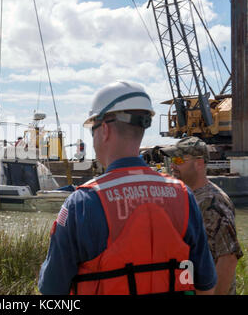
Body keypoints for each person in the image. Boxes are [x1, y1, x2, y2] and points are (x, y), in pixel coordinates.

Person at [38, 81, 217, 295]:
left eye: (92, 130)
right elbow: (205, 285)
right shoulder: (182, 195)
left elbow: (51, 290)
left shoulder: (82, 203)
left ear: (103, 130)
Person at [160, 136, 243, 295]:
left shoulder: (214, 202)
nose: (172, 165)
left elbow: (228, 259)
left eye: (178, 160)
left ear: (199, 163)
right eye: (172, 160)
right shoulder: (189, 197)